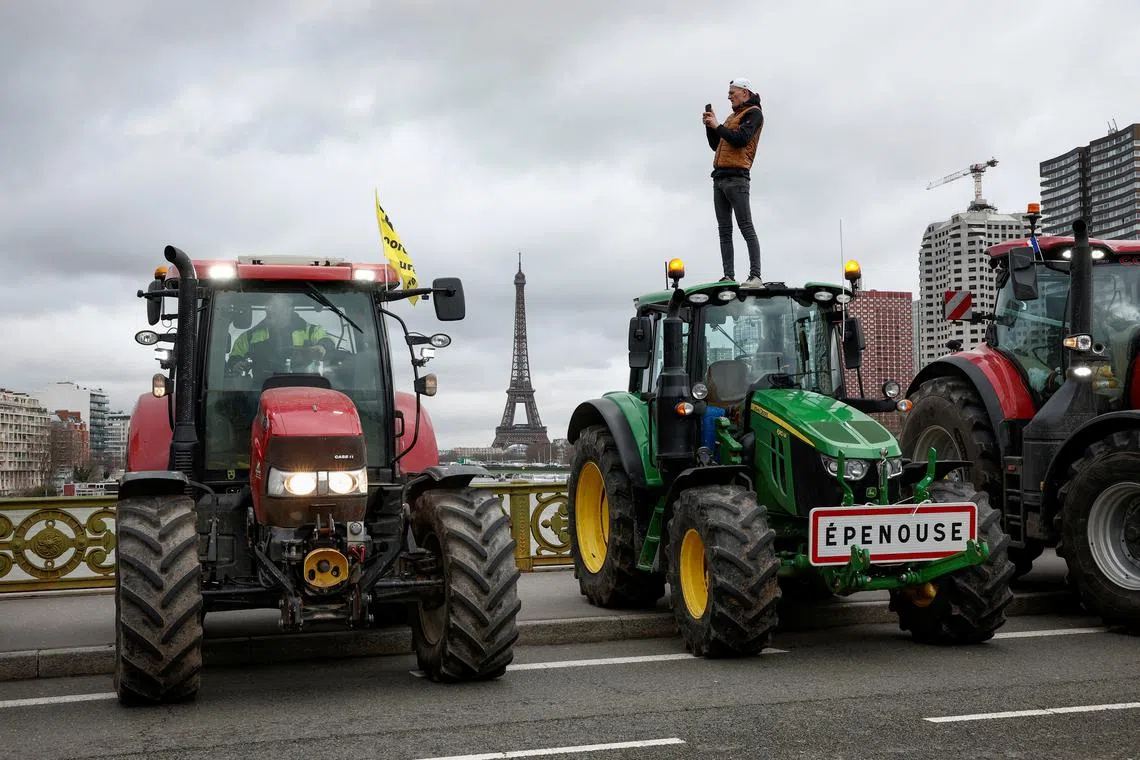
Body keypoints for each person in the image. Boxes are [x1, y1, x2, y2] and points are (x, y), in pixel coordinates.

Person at [703, 78, 765, 288]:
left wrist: (718, 126)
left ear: (745, 93)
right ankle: (728, 276)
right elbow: (716, 144)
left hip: (737, 177)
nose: (729, 96)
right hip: (719, 177)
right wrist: (711, 126)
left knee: (745, 226)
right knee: (724, 229)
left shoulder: (753, 113)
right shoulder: (733, 116)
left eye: (732, 92)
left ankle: (755, 276)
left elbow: (741, 140)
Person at [228, 293, 335, 375]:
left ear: (290, 309)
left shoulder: (311, 331)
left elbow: (327, 343)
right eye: (270, 306)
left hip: (305, 387)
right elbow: (234, 359)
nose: (271, 310)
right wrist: (237, 364)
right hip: (261, 390)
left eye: (277, 307)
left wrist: (321, 347)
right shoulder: (249, 336)